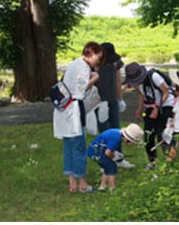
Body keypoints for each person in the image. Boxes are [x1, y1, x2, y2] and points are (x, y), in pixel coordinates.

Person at [53, 41, 105, 193]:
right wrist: (95, 79)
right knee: (79, 146)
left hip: (64, 108)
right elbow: (81, 88)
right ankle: (83, 183)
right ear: (91, 53)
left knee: (68, 146)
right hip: (74, 108)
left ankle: (72, 182)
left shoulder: (73, 63)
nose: (98, 61)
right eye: (98, 57)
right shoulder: (83, 66)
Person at [124, 62, 174, 170]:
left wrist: (157, 107)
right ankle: (153, 161)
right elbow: (141, 94)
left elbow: (166, 91)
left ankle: (170, 162)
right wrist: (140, 108)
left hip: (165, 105)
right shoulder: (136, 83)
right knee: (148, 135)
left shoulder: (154, 77)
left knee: (162, 135)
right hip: (151, 106)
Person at [95, 42, 134, 168]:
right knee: (105, 132)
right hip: (99, 103)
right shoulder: (93, 65)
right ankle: (105, 161)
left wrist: (120, 98)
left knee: (116, 130)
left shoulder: (115, 63)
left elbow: (118, 80)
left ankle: (119, 159)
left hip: (113, 101)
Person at [87, 123, 144, 192]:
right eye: (132, 142)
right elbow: (107, 153)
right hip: (97, 153)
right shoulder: (116, 139)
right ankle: (112, 188)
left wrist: (115, 153)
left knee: (107, 167)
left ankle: (102, 186)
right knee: (112, 167)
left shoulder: (116, 132)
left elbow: (108, 146)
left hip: (95, 150)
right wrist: (114, 157)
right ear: (127, 139)